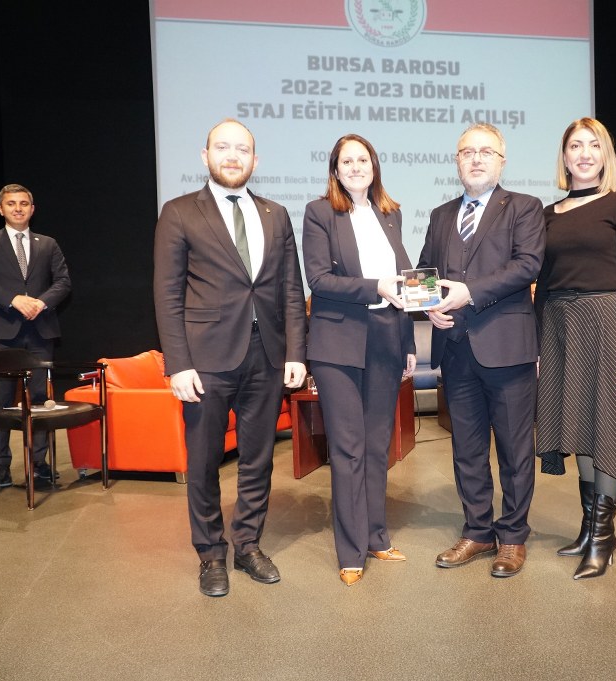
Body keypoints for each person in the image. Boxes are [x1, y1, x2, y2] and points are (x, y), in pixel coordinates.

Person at [154, 118, 307, 597]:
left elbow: (290, 288)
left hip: (267, 356)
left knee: (257, 460)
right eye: (223, 147)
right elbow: (167, 294)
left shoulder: (276, 214)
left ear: (255, 160)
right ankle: (210, 554)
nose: (233, 156)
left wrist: (296, 351)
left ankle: (248, 545)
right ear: (206, 156)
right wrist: (178, 364)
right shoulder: (179, 212)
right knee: (203, 463)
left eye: (242, 149)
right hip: (205, 360)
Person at [417, 122, 545, 578]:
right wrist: (428, 305)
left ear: (501, 161)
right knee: (467, 449)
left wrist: (468, 292)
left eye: (485, 151)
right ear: (456, 161)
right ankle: (477, 531)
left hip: (507, 348)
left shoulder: (525, 207)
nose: (475, 158)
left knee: (514, 449)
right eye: (467, 152)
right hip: (455, 348)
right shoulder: (440, 214)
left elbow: (527, 265)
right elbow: (425, 270)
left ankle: (512, 537)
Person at [534, 117, 616, 579]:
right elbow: (542, 283)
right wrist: (539, 345)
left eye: (593, 145)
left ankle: (603, 539)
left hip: (605, 320)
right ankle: (589, 529)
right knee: (579, 425)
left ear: (605, 155)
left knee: (604, 424)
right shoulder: (548, 213)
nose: (584, 154)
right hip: (559, 324)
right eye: (575, 146)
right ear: (564, 157)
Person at [302, 134, 417, 587]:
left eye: (362, 159)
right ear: (335, 170)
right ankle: (350, 552)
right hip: (337, 344)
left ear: (374, 166)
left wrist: (408, 341)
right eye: (346, 161)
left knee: (375, 447)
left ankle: (376, 537)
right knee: (348, 448)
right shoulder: (319, 213)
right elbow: (319, 279)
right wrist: (375, 288)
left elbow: (404, 282)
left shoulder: (391, 214)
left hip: (386, 339)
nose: (355, 167)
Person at [0, 184, 71, 488]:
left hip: (41, 331)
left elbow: (63, 282)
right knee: (1, 401)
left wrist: (41, 302)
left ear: (32, 209)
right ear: (0, 209)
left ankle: (39, 462)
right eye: (11, 203)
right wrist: (13, 300)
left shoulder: (48, 243)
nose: (18, 208)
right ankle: (1, 466)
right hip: (2, 332)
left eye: (24, 203)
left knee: (40, 400)